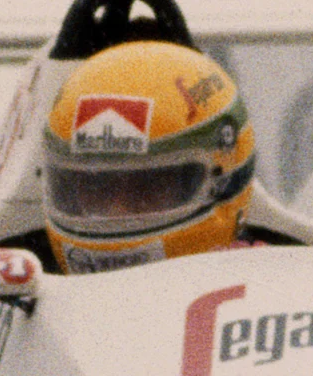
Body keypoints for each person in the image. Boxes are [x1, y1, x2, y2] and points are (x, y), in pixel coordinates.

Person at [36, 38, 260, 273]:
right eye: (98, 188)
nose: (117, 211)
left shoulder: (273, 284)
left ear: (222, 180)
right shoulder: (23, 284)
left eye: (147, 187)